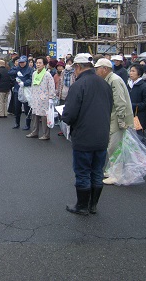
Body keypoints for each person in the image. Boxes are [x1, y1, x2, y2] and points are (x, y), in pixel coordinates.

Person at [62, 53, 113, 215]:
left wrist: (65, 118)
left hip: (84, 136)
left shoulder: (79, 85)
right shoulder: (104, 84)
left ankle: (82, 206)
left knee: (83, 171)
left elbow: (69, 113)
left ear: (78, 67)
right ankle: (93, 205)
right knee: (97, 171)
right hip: (102, 135)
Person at [94, 58, 134, 185]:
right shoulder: (108, 79)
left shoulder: (114, 80)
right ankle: (112, 170)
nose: (96, 71)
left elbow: (120, 102)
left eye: (97, 68)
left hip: (117, 118)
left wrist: (122, 120)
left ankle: (116, 175)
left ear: (105, 69)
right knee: (110, 145)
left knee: (114, 147)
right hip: (111, 117)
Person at [26, 56, 56, 140]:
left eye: (40, 63)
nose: (38, 64)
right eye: (37, 63)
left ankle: (46, 134)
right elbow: (32, 85)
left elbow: (51, 87)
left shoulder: (47, 74)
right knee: (35, 115)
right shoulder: (34, 73)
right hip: (35, 97)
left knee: (44, 117)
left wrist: (51, 98)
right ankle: (35, 132)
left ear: (44, 64)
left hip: (44, 98)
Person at [127, 63, 146, 144]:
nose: (131, 73)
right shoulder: (128, 85)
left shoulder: (144, 86)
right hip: (128, 115)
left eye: (133, 71)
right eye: (130, 71)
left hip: (139, 117)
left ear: (139, 74)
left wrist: (133, 105)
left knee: (139, 138)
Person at [8, 56, 33, 130]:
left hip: (26, 90)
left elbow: (31, 79)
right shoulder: (17, 68)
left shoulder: (30, 69)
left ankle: (28, 124)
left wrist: (24, 83)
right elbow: (9, 72)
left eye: (23, 62)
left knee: (27, 108)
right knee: (17, 107)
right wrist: (16, 71)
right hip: (17, 90)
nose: (21, 64)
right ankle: (17, 123)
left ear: (26, 62)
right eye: (20, 62)